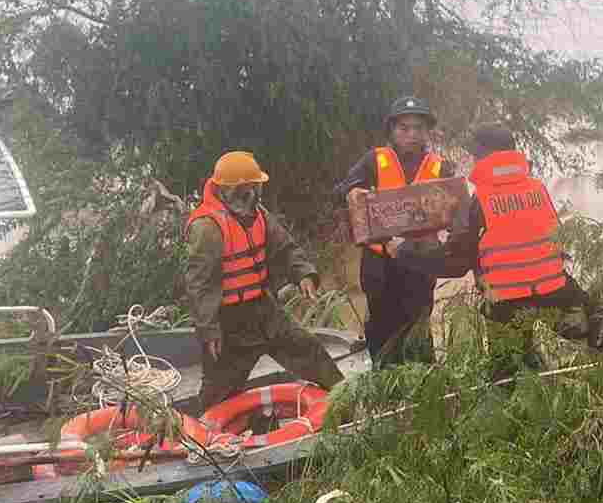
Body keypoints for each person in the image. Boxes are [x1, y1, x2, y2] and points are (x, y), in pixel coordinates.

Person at [386, 123, 603, 375]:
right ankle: (600, 367)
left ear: (482, 156)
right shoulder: (538, 190)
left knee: (509, 372)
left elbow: (455, 263)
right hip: (556, 291)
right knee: (588, 344)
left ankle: (519, 380)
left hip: (506, 303)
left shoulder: (479, 200)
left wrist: (404, 251)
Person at [186, 150, 343, 409]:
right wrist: (209, 331)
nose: (252, 195)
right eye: (245, 189)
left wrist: (303, 273)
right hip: (229, 324)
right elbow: (199, 286)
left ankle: (346, 401)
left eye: (255, 188)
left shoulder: (259, 214)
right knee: (218, 393)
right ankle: (205, 441)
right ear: (226, 190)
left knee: (308, 350)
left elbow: (285, 248)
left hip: (264, 309)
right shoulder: (207, 227)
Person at [337, 97, 456, 366]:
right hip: (380, 264)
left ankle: (423, 385)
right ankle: (385, 384)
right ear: (391, 130)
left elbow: (456, 213)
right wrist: (351, 192)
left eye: (418, 128)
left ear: (427, 131)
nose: (412, 134)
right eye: (404, 128)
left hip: (421, 262)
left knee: (418, 327)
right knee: (381, 329)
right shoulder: (374, 161)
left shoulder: (441, 166)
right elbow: (342, 191)